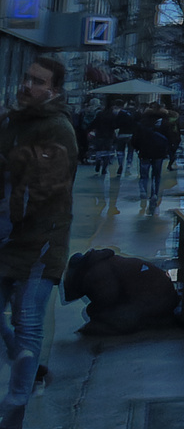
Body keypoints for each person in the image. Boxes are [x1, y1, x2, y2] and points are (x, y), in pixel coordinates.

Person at [0, 56, 77, 429]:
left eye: (37, 80)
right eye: (27, 77)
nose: (28, 84)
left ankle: (14, 411)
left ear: (54, 90)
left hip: (41, 244)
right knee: (21, 335)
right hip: (6, 240)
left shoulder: (57, 129)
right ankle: (28, 369)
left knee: (28, 325)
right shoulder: (10, 121)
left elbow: (46, 188)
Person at [61, 249, 177, 336]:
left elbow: (108, 298)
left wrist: (94, 310)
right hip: (158, 297)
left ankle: (152, 321)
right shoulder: (100, 266)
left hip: (156, 299)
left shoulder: (97, 272)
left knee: (113, 320)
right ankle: (153, 319)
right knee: (101, 316)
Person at [132, 110, 170, 216]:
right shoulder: (164, 124)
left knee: (144, 174)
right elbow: (170, 138)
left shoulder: (141, 125)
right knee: (156, 175)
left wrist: (138, 148)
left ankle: (144, 191)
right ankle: (154, 193)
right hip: (159, 153)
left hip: (144, 152)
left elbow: (135, 139)